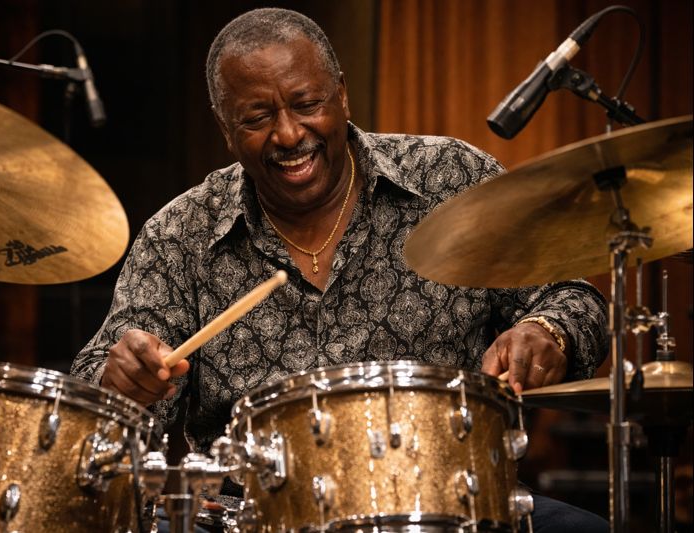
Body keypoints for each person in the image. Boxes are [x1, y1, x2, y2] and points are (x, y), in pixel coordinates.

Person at [72, 8, 609, 532]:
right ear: (225, 128)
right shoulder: (180, 235)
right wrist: (121, 382)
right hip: (255, 517)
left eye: (307, 104)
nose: (288, 134)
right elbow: (96, 396)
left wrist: (547, 331)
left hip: (449, 501)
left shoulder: (451, 179)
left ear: (342, 94)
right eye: (257, 118)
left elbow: (573, 296)